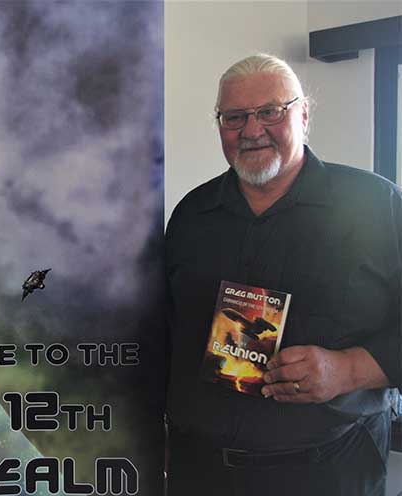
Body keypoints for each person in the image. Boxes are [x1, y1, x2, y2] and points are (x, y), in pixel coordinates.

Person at [165, 54, 400, 496]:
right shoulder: (192, 215)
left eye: (271, 111)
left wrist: (348, 369)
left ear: (304, 114)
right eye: (234, 117)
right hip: (199, 471)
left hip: (329, 474)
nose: (252, 130)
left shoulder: (375, 205)